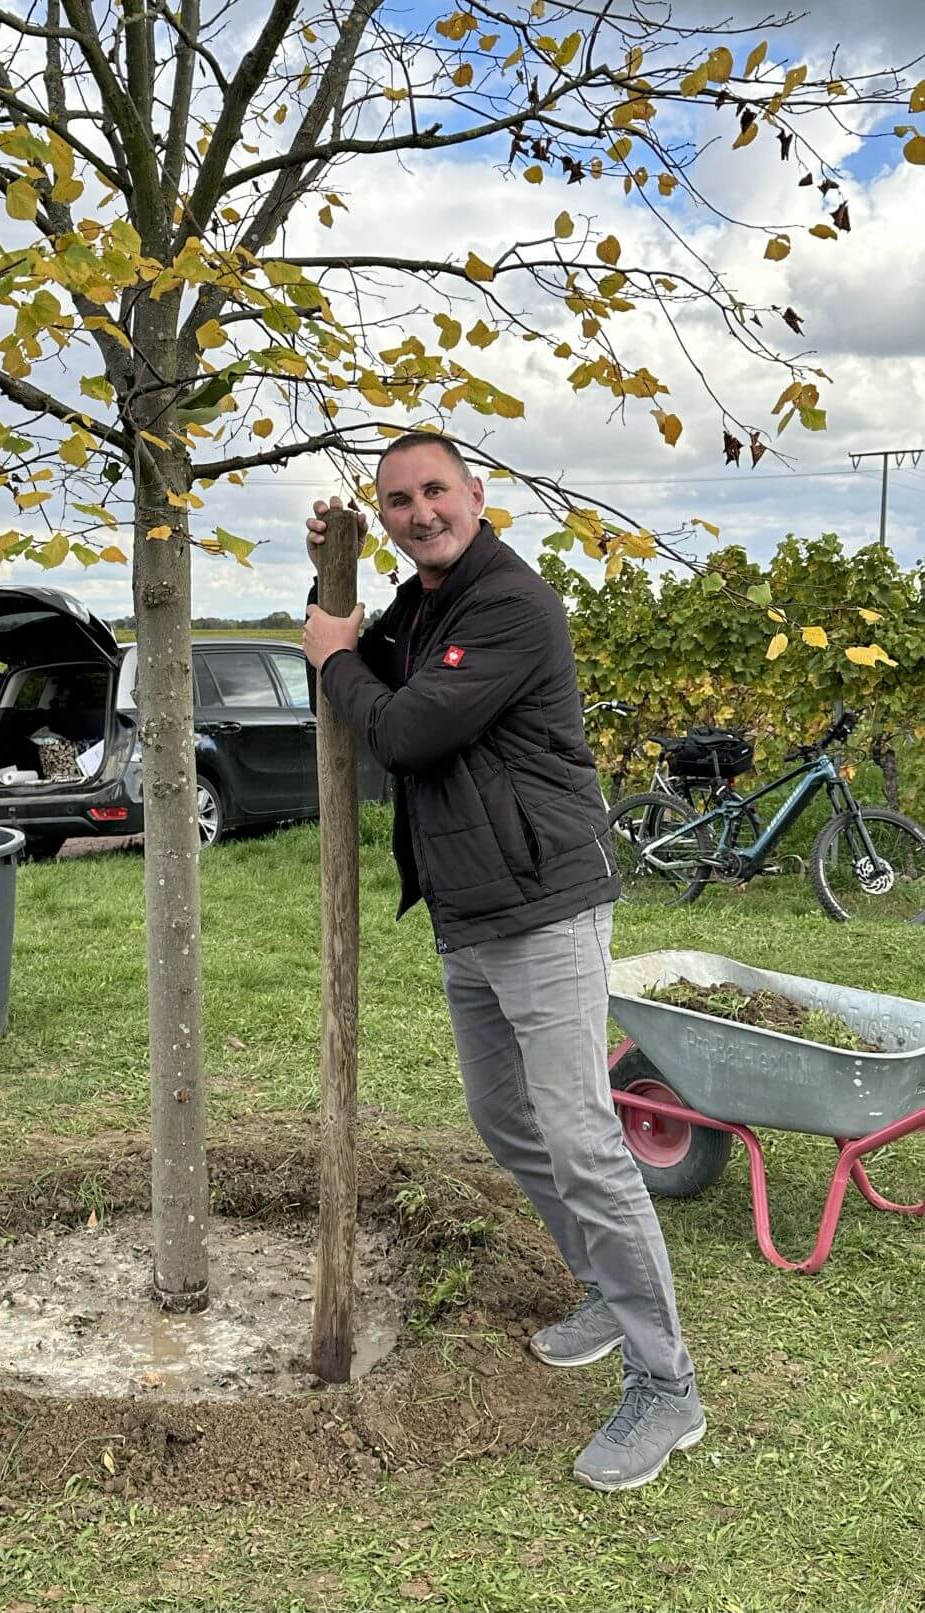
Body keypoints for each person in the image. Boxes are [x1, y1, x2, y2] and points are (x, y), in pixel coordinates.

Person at [302, 432, 704, 1493]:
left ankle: (669, 1383)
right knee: (507, 1119)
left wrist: (331, 657)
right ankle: (605, 1295)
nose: (419, 511)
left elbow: (400, 726)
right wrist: (328, 576)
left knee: (580, 1135)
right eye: (396, 501)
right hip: (472, 908)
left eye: (434, 491)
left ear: (477, 495)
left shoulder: (508, 602)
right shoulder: (428, 599)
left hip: (544, 904)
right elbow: (370, 649)